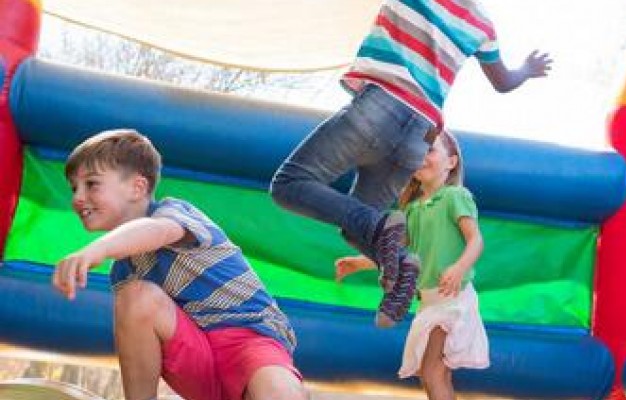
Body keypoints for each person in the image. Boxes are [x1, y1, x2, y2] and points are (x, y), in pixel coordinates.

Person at [270, 0, 551, 328]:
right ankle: (404, 265)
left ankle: (383, 233)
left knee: (290, 183)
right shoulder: (482, 24)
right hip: (419, 136)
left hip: (381, 106)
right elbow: (503, 82)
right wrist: (527, 70)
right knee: (358, 227)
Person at [53, 129, 306, 400]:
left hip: (250, 340)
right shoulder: (124, 273)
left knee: (276, 388)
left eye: (91, 184)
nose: (77, 197)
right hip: (197, 362)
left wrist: (99, 248)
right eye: (73, 188)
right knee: (137, 297)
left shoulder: (173, 213)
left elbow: (155, 231)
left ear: (137, 187)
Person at [336, 131, 488, 400]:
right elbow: (396, 253)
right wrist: (358, 263)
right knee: (432, 375)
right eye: (418, 151)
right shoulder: (412, 209)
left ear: (451, 162)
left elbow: (476, 240)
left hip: (453, 299)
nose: (422, 157)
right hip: (428, 302)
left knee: (433, 372)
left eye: (431, 150)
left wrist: (459, 267)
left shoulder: (455, 196)